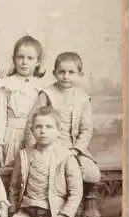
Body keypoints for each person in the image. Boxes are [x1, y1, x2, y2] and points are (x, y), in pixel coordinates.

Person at [23, 51, 101, 187]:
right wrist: (33, 150)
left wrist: (76, 150)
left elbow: (86, 130)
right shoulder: (47, 94)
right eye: (62, 72)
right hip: (48, 146)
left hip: (73, 148)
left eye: (71, 72)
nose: (66, 76)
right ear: (54, 73)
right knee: (52, 173)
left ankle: (79, 203)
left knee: (91, 174)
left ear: (80, 74)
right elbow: (31, 123)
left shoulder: (83, 98)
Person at [0, 35, 46, 167]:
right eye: (20, 57)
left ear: (38, 62)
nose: (24, 62)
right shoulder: (5, 85)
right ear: (14, 59)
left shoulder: (42, 87)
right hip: (11, 138)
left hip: (36, 137)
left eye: (30, 58)